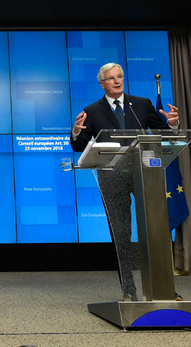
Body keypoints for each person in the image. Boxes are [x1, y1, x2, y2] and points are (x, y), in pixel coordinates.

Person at [71, 63, 179, 300]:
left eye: (120, 76)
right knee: (121, 232)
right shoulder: (92, 110)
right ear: (102, 84)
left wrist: (172, 125)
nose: (117, 81)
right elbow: (81, 146)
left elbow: (163, 133)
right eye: (111, 79)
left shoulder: (141, 104)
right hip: (112, 178)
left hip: (145, 174)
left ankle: (163, 287)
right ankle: (129, 290)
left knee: (155, 229)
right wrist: (77, 133)